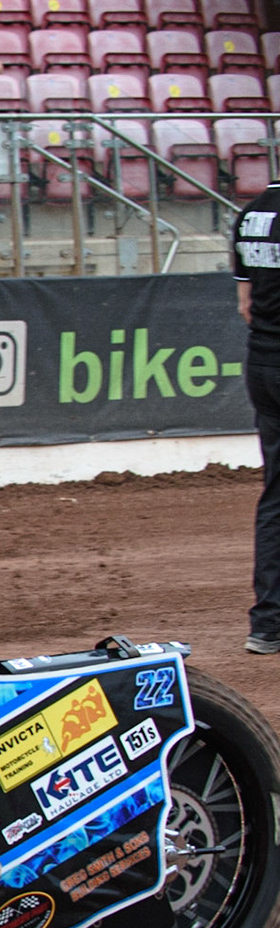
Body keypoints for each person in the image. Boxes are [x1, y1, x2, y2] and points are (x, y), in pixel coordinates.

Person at [232, 182, 280, 654]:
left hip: (262, 362)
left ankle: (267, 623)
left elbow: (245, 306)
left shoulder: (252, 213)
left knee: (276, 496)